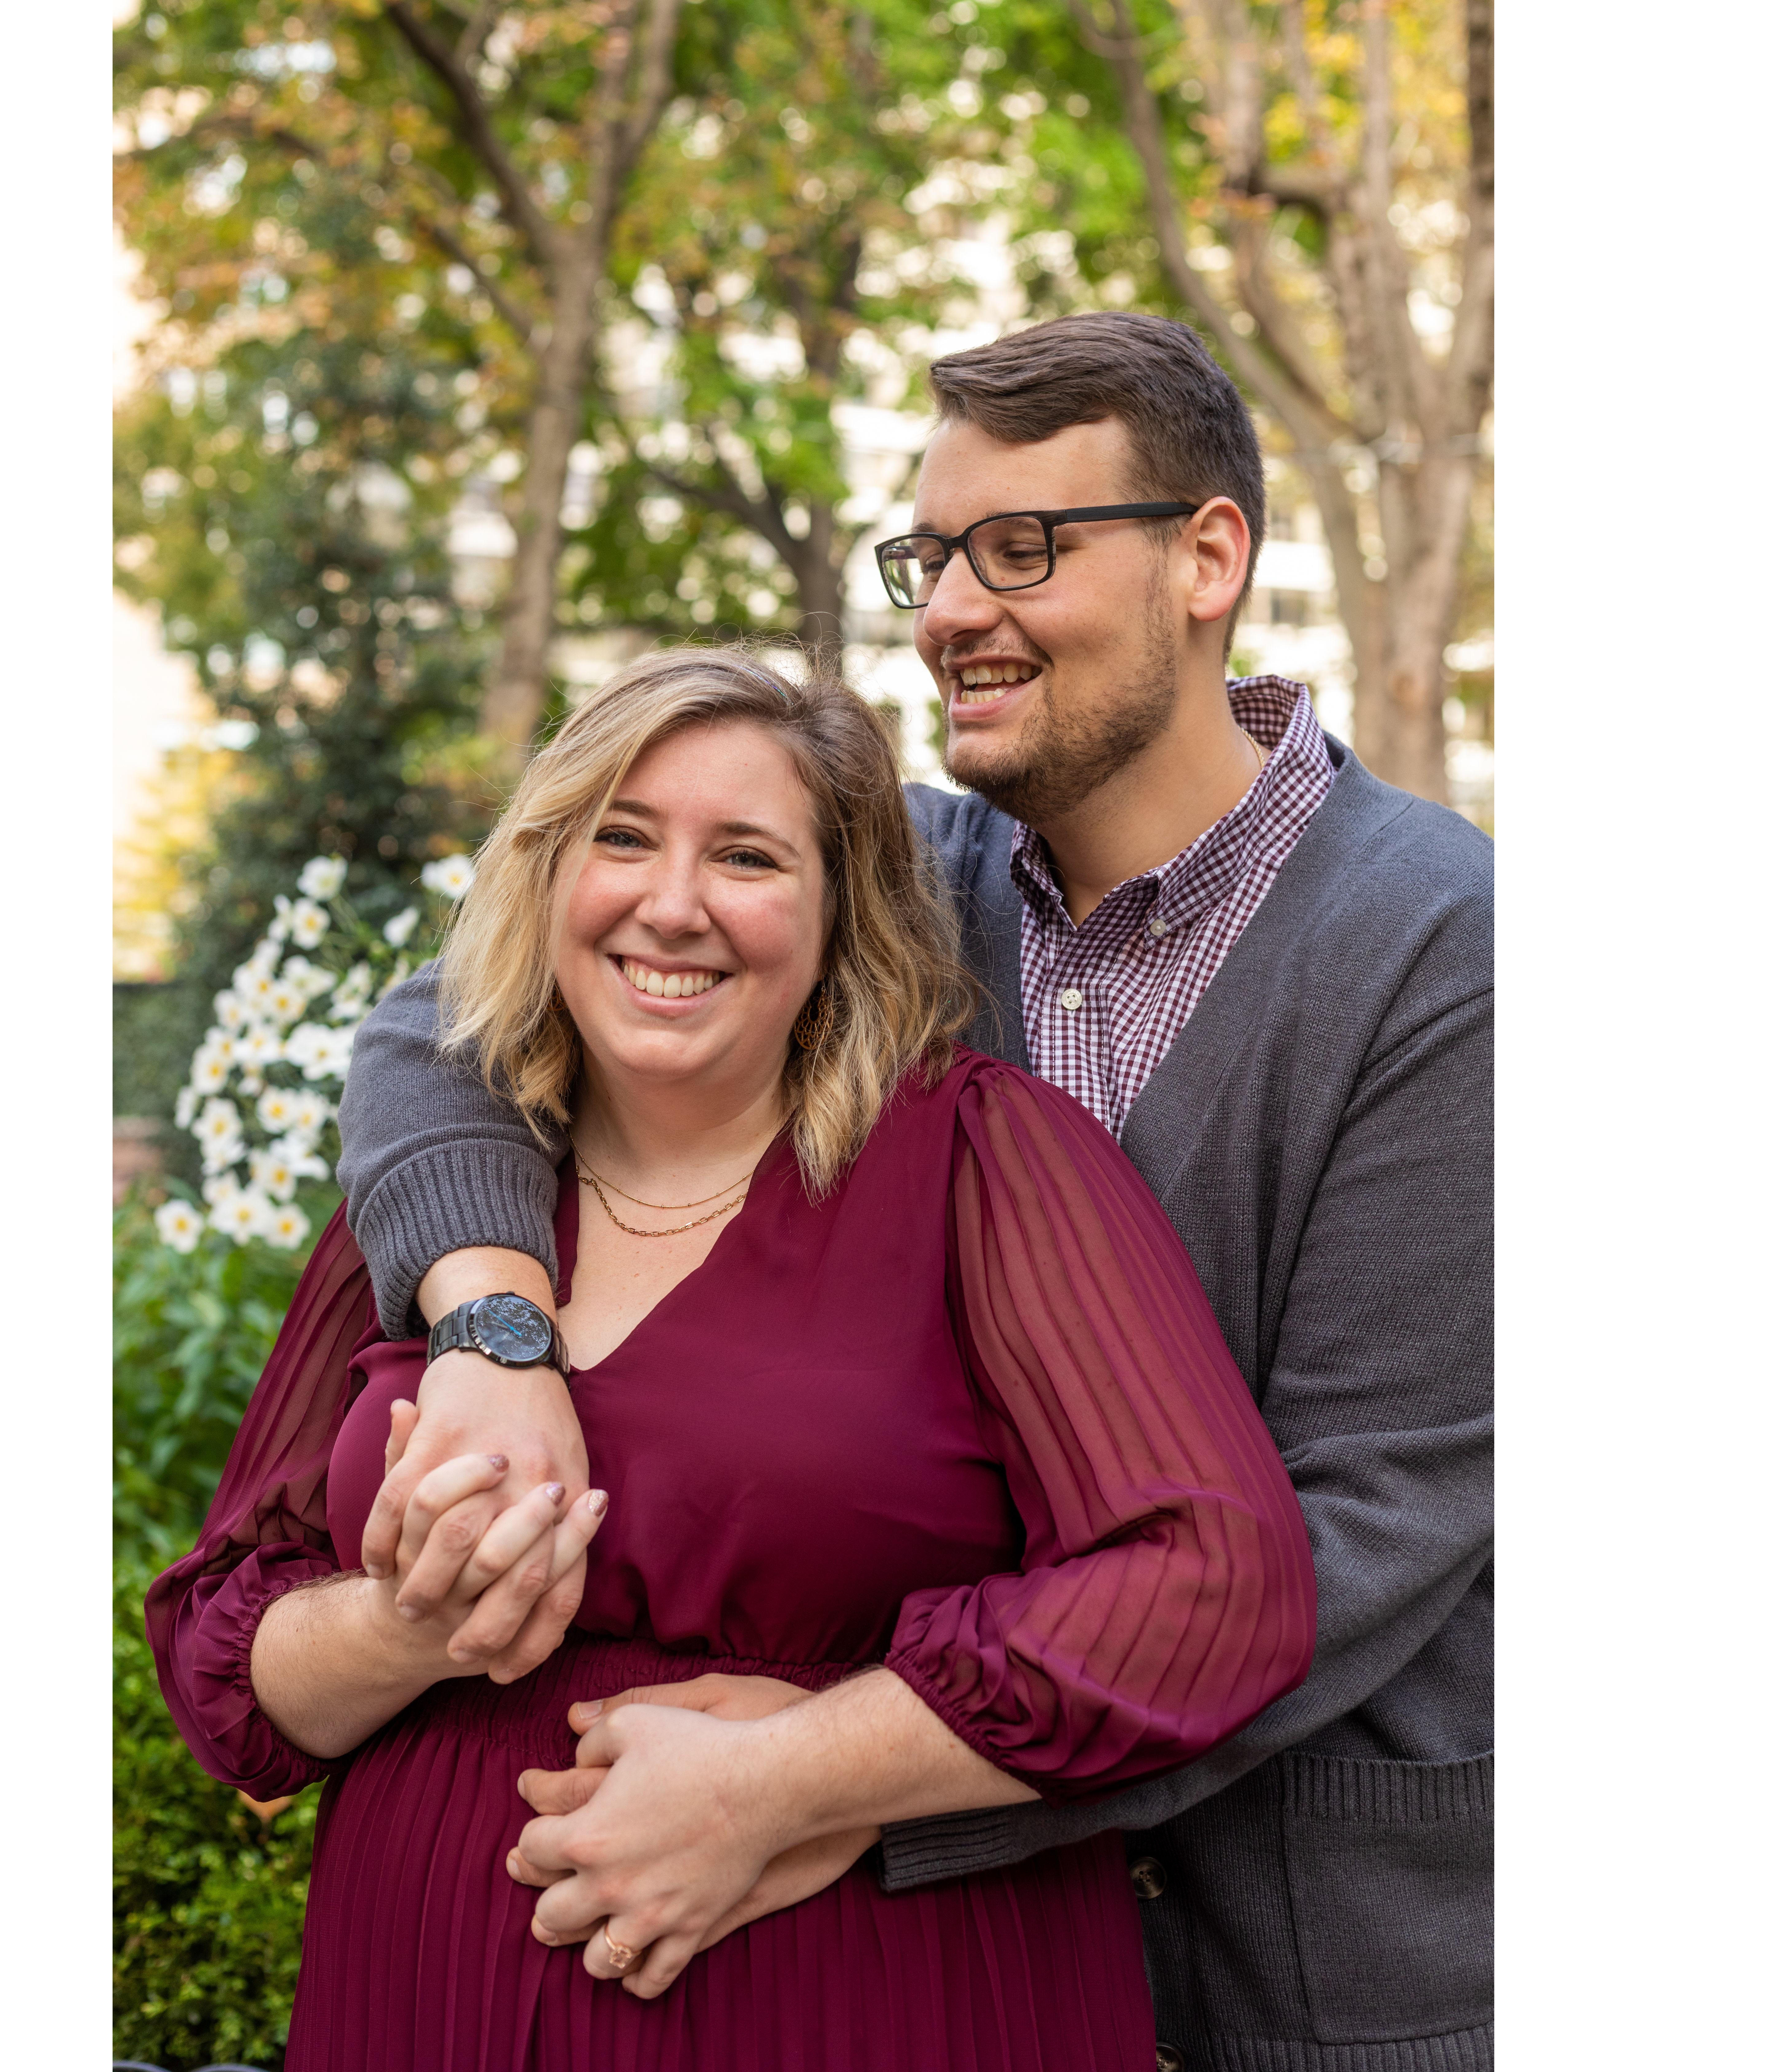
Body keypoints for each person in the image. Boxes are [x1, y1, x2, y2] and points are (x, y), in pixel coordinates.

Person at [335, 311, 1493, 2071]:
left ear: (1209, 557)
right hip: (940, 1974)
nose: (951, 608)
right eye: (932, 555)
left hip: (1313, 1971)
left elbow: (1361, 1540)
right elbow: (450, 1025)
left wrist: (824, 1774)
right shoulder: (905, 894)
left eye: (1024, 547)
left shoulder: (1447, 956)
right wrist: (496, 1332)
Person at [149, 648, 1316, 2071]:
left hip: (872, 2008)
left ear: (840, 919)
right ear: (546, 879)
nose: (672, 903)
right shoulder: (435, 1210)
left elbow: (1214, 1585)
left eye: (748, 856)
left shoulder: (983, 1163)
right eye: (621, 839)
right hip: (421, 2008)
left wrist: (793, 1776)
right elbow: (226, 1664)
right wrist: (407, 1626)